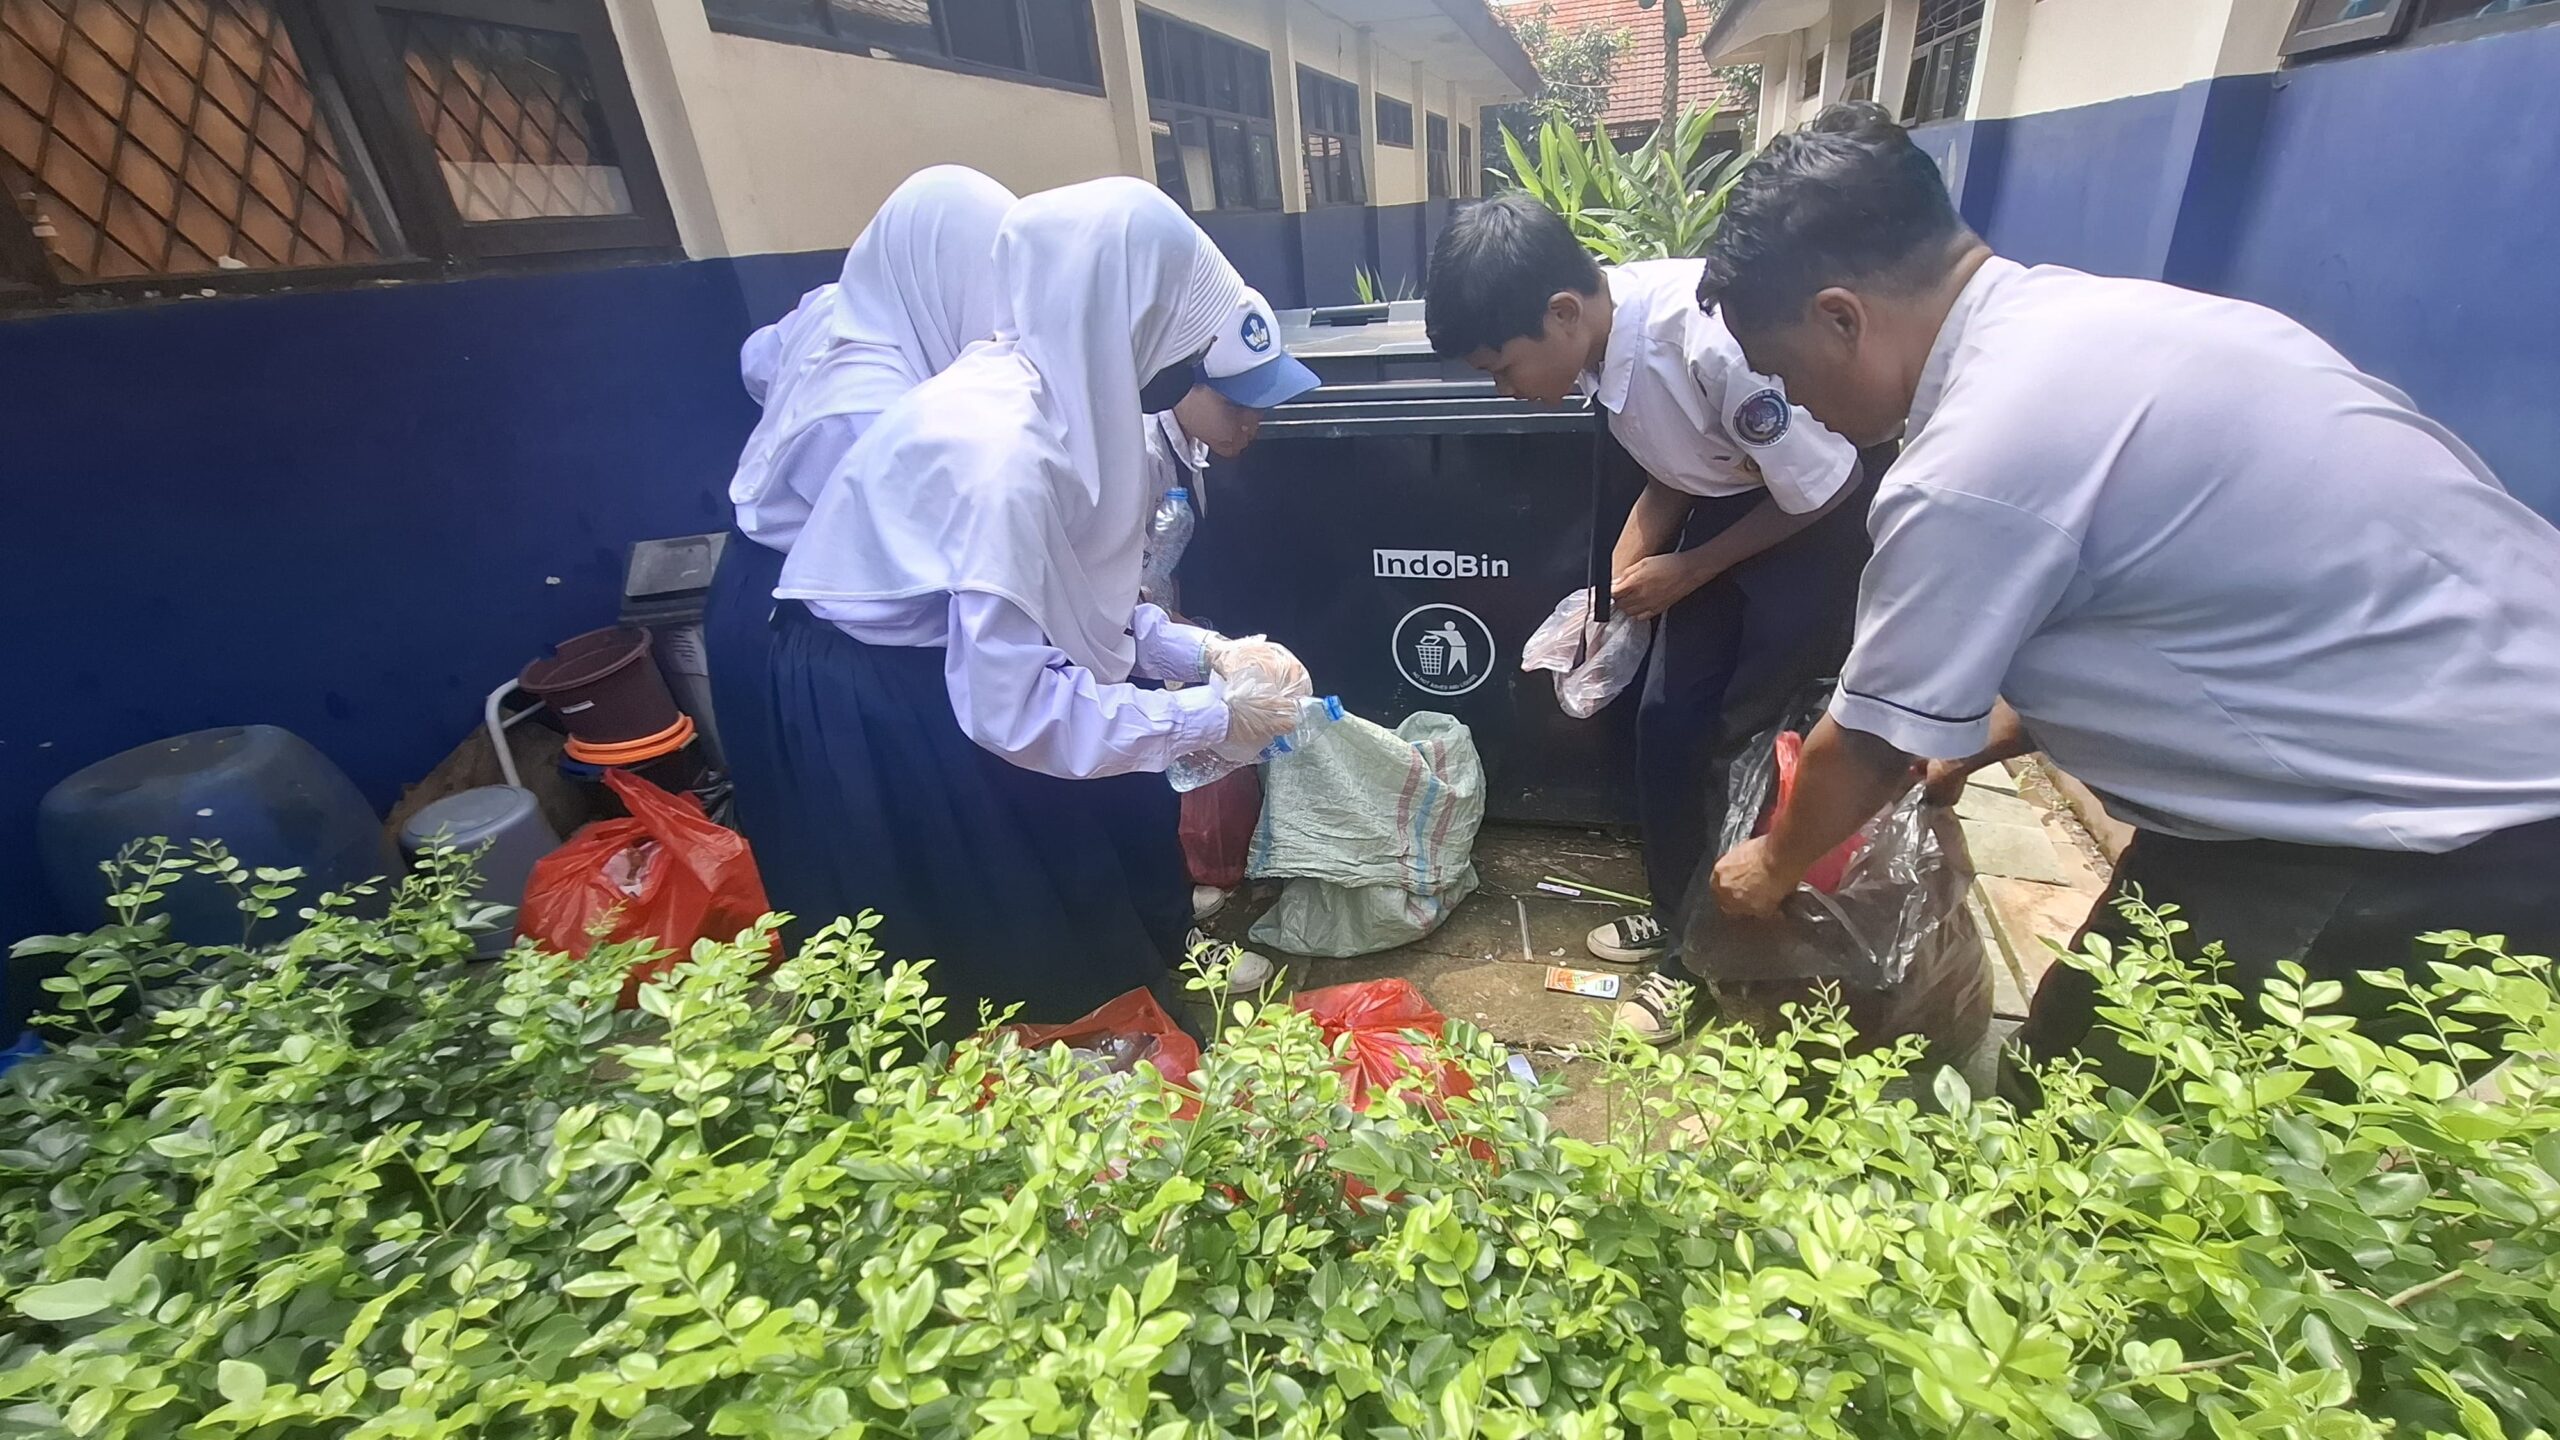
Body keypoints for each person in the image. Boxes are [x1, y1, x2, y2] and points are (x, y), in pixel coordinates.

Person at [1696, 102, 2560, 1070]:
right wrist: (2003, 733)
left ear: (1841, 317)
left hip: (2419, 836)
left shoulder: (1970, 461)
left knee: (2109, 1134)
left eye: (1782, 371)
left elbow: (1866, 745)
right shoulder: (2131, 322)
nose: (1792, 403)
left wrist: (1767, 869)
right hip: (2470, 753)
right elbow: (2204, 592)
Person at [746, 177, 1320, 1031]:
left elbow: (1073, 594)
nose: (1181, 366)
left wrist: (1198, 657)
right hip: (878, 693)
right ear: (1121, 315)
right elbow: (1014, 711)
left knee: (1071, 868)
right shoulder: (1004, 452)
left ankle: (1119, 1016)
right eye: (1181, 339)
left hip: (939, 668)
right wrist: (1208, 718)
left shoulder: (1064, 406)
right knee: (991, 940)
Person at [1424, 194, 1882, 1042]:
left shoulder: (1706, 341)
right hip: (1725, 518)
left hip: (1809, 533)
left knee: (1745, 744)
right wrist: (1616, 581)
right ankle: (1680, 916)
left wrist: (1692, 569)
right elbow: (1679, 464)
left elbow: (1824, 485)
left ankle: (1708, 964)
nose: (1503, 389)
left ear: (1563, 314)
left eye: (1501, 368)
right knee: (1669, 724)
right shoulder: (1601, 343)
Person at [705, 166, 1016, 850]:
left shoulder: (840, 304)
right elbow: (944, 595)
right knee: (871, 817)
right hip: (816, 616)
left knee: (811, 810)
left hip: (761, 584)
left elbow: (757, 360)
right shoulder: (872, 413)